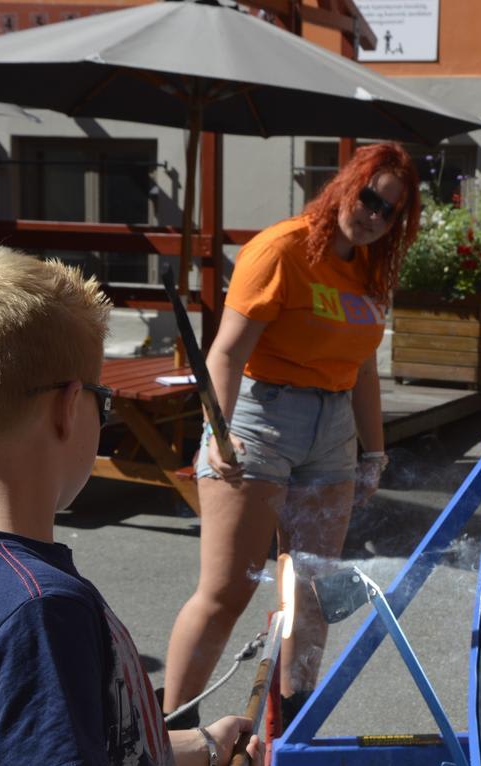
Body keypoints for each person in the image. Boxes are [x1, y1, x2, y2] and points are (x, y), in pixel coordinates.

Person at [0, 247, 261, 766]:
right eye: (103, 398)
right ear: (69, 407)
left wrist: (200, 748)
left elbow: (46, 756)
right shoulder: (41, 614)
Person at [160, 142, 421, 727]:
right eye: (370, 197)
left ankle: (289, 737)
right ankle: (170, 733)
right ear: (345, 186)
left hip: (333, 432)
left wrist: (374, 453)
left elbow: (362, 370)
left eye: (390, 211)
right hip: (261, 421)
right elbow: (226, 353)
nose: (375, 215)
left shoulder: (371, 269)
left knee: (311, 594)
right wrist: (217, 433)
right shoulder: (282, 249)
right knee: (227, 591)